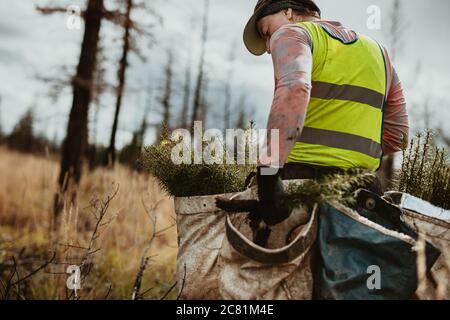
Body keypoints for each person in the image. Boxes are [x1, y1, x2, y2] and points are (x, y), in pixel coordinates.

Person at [243, 0, 409, 225]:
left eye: (266, 32)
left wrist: (268, 175)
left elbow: (295, 88)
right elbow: (398, 135)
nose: (269, 45)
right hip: (365, 196)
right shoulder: (380, 53)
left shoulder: (292, 33)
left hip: (300, 187)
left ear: (288, 12)